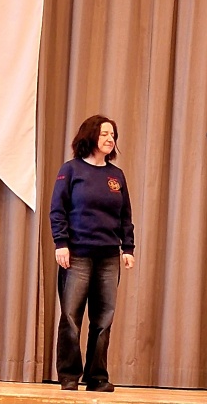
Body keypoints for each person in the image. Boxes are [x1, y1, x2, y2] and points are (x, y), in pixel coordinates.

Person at [50, 114, 135, 393]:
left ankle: (97, 376)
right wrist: (61, 243)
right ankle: (69, 375)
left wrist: (128, 247)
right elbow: (58, 210)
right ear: (90, 136)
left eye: (113, 135)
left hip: (108, 256)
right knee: (71, 317)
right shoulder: (71, 170)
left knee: (103, 319)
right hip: (77, 255)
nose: (110, 139)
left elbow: (125, 216)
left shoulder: (116, 175)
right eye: (104, 134)